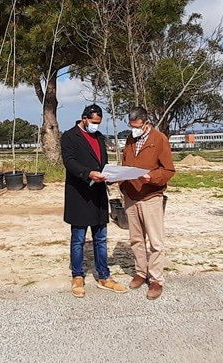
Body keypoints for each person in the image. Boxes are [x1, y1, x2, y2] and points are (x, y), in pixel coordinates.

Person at [62, 104, 127, 298]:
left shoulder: (99, 137)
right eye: (93, 122)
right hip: (79, 194)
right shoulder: (69, 136)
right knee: (78, 239)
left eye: (98, 122)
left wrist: (110, 175)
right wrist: (88, 173)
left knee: (100, 238)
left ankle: (104, 276)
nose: (95, 125)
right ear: (84, 119)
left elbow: (103, 163)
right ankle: (77, 275)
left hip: (98, 194)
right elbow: (69, 162)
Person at [118, 106, 175, 300]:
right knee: (136, 239)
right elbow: (125, 163)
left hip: (151, 196)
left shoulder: (159, 139)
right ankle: (141, 272)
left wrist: (152, 177)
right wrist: (120, 181)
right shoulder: (130, 139)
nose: (134, 130)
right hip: (131, 196)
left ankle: (156, 279)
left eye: (137, 126)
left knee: (155, 241)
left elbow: (168, 170)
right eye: (131, 126)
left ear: (146, 123)